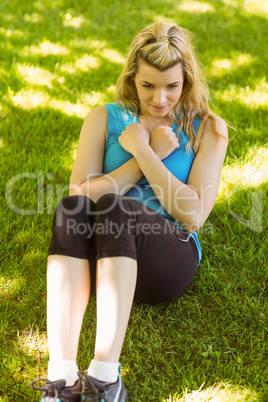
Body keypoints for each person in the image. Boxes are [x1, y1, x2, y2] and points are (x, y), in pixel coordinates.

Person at [31, 20, 228, 401]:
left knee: (117, 207)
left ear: (186, 80)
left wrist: (146, 151)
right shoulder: (103, 118)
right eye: (148, 85)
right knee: (74, 207)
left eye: (172, 86)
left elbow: (193, 215)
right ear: (132, 79)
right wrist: (143, 153)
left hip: (166, 256)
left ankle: (106, 378)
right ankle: (62, 378)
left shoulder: (208, 129)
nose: (159, 99)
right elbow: (80, 197)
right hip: (99, 256)